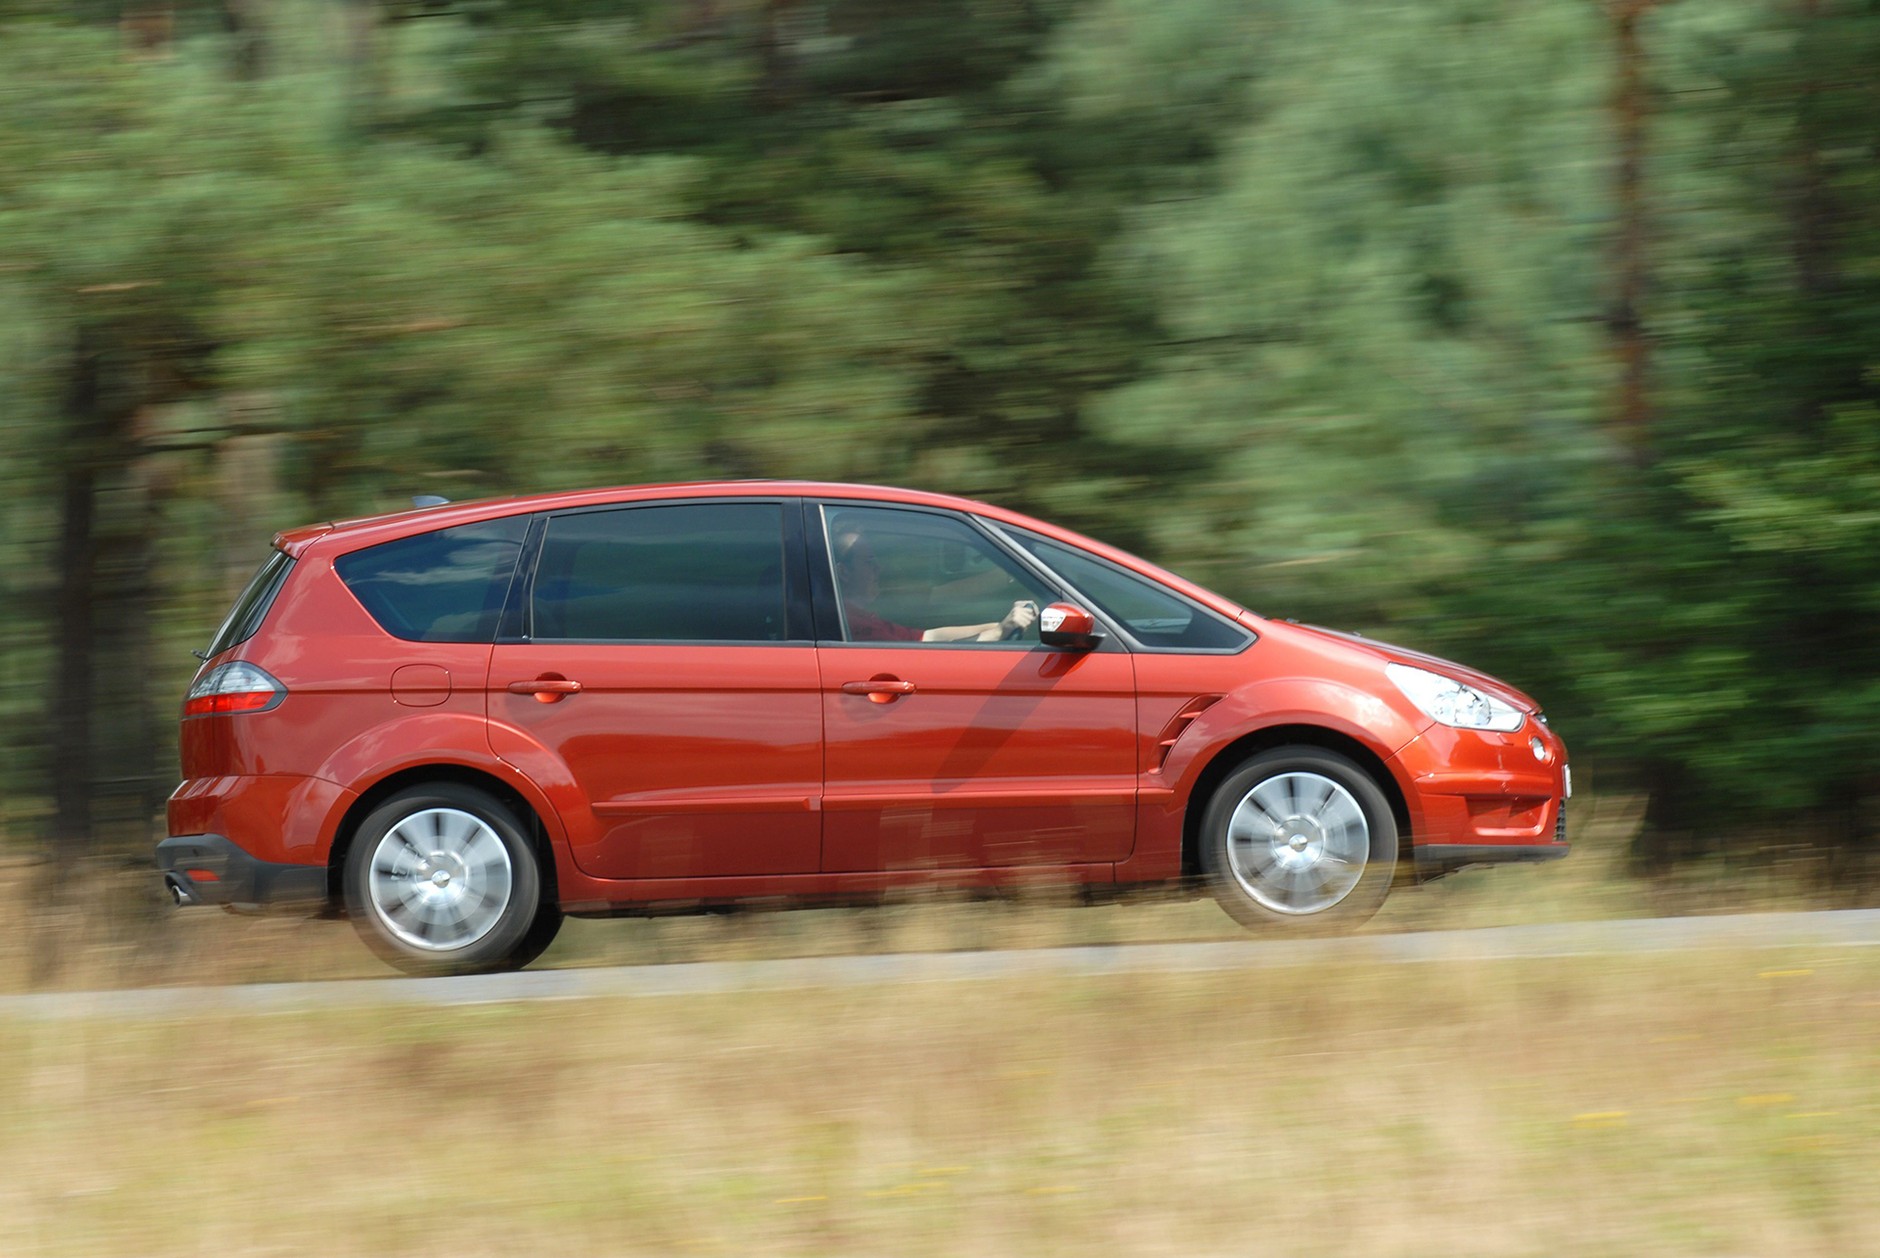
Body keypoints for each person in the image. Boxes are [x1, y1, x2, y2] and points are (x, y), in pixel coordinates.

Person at [832, 529, 1038, 643]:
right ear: (843, 572)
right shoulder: (858, 628)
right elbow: (916, 660)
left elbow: (930, 637)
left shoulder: (867, 615)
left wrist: (999, 626)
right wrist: (998, 633)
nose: (879, 569)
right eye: (869, 562)